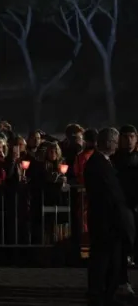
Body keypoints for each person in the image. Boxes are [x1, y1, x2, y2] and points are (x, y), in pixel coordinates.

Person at [84, 127, 134, 306]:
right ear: (108, 143)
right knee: (102, 259)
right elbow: (108, 194)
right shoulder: (98, 163)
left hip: (108, 220)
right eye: (114, 142)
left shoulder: (103, 162)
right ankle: (99, 294)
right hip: (105, 220)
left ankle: (107, 292)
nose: (116, 145)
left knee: (109, 259)